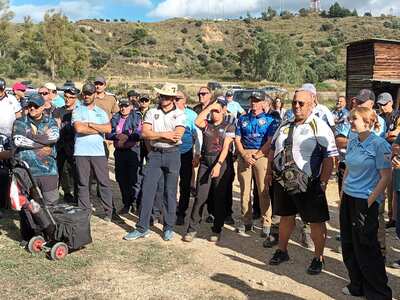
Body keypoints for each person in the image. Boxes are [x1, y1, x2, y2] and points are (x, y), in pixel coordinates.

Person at [267, 89, 337, 275]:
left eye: (301, 103)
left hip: (310, 183)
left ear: (312, 103)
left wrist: (322, 183)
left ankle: (318, 258)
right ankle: (282, 250)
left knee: (315, 221)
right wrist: (268, 173)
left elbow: (329, 158)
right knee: (285, 216)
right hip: (283, 181)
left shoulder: (320, 126)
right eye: (294, 103)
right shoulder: (285, 124)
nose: (296, 106)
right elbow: (272, 149)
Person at [340, 107, 392, 299]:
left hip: (365, 201)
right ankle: (357, 285)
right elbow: (347, 168)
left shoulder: (379, 145)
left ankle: (378, 292)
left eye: (354, 118)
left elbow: (386, 177)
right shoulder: (353, 140)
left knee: (367, 246)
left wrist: (370, 200)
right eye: (350, 118)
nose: (350, 121)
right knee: (348, 243)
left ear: (368, 122)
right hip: (349, 198)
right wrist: (343, 190)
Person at [124, 83, 185, 241]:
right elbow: (145, 134)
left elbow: (177, 135)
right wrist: (164, 134)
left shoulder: (179, 114)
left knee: (169, 192)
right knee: (147, 190)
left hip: (172, 154)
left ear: (172, 98)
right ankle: (142, 227)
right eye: (161, 95)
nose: (163, 98)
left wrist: (155, 134)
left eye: (166, 96)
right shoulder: (152, 112)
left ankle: (168, 226)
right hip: (156, 154)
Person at [183, 99, 234, 242]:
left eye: (217, 110)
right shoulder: (207, 125)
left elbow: (226, 149)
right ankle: (192, 229)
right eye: (212, 111)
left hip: (221, 162)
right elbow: (197, 121)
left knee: (219, 196)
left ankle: (217, 229)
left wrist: (218, 164)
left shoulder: (229, 126)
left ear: (223, 111)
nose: (214, 113)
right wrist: (210, 106)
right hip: (206, 162)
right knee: (200, 196)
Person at [235, 91, 279, 239]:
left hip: (261, 155)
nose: (254, 103)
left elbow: (270, 141)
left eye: (257, 100)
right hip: (245, 155)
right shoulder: (242, 119)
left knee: (263, 190)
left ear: (263, 103)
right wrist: (244, 154)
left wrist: (256, 155)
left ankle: (266, 222)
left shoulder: (270, 120)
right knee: (245, 191)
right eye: (252, 100)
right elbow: (237, 139)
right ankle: (246, 220)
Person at [72, 82, 113, 222]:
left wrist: (89, 124)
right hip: (81, 152)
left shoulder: (101, 112)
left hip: (98, 152)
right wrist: (98, 129)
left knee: (104, 182)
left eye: (89, 93)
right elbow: (79, 129)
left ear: (95, 94)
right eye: (85, 93)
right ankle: (84, 211)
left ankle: (109, 212)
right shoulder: (77, 110)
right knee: (83, 183)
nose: (87, 96)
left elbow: (108, 129)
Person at [12, 94, 60, 205]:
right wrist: (43, 141)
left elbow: (54, 137)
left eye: (36, 106)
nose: (32, 108)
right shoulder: (20, 122)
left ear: (43, 107)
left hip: (48, 170)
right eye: (30, 105)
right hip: (25, 170)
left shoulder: (51, 122)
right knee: (26, 205)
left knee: (51, 204)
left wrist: (30, 137)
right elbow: (18, 141)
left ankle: (48, 223)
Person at [106, 98, 141, 214]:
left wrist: (127, 137)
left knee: (134, 178)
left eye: (126, 106)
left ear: (130, 107)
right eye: (121, 106)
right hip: (119, 152)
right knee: (121, 179)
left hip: (132, 151)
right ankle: (127, 203)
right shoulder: (115, 117)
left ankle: (135, 202)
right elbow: (108, 133)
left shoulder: (136, 117)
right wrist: (117, 136)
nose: (123, 108)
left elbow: (139, 133)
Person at [175, 91, 202, 225]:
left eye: (178, 99)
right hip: (169, 152)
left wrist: (197, 153)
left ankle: (181, 212)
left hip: (186, 152)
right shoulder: (167, 113)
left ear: (185, 100)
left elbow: (198, 136)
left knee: (185, 184)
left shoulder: (191, 115)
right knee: (168, 183)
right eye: (174, 98)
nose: (175, 101)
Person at [54, 87, 80, 203]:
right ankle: (54, 198)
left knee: (76, 173)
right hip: (60, 146)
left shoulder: (79, 111)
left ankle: (77, 198)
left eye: (71, 97)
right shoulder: (58, 110)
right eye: (66, 96)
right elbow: (55, 127)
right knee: (58, 172)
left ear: (76, 98)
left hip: (75, 146)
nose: (68, 99)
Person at [377, 92, 399, 229]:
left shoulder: (397, 116)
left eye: (384, 104)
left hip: (393, 156)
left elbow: (396, 134)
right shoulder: (379, 117)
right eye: (379, 105)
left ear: (390, 102)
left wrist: (386, 135)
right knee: (382, 186)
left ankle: (393, 218)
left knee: (392, 188)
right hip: (382, 154)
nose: (382, 107)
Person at [0, 78, 22, 210]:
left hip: (10, 137)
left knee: (10, 167)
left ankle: (9, 199)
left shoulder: (12, 99)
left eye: (1, 89)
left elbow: (19, 116)